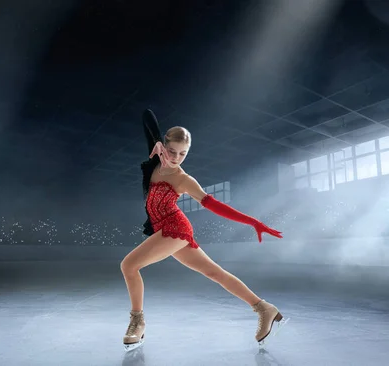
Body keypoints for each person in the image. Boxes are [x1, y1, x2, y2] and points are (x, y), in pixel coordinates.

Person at [120, 109, 285, 352]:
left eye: (183, 153)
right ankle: (264, 307)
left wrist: (253, 222)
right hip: (164, 229)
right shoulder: (155, 159)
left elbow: (215, 205)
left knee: (129, 265)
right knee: (214, 273)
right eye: (172, 151)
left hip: (174, 228)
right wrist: (154, 140)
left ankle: (137, 321)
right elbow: (147, 115)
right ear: (163, 146)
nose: (176, 157)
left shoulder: (184, 179)